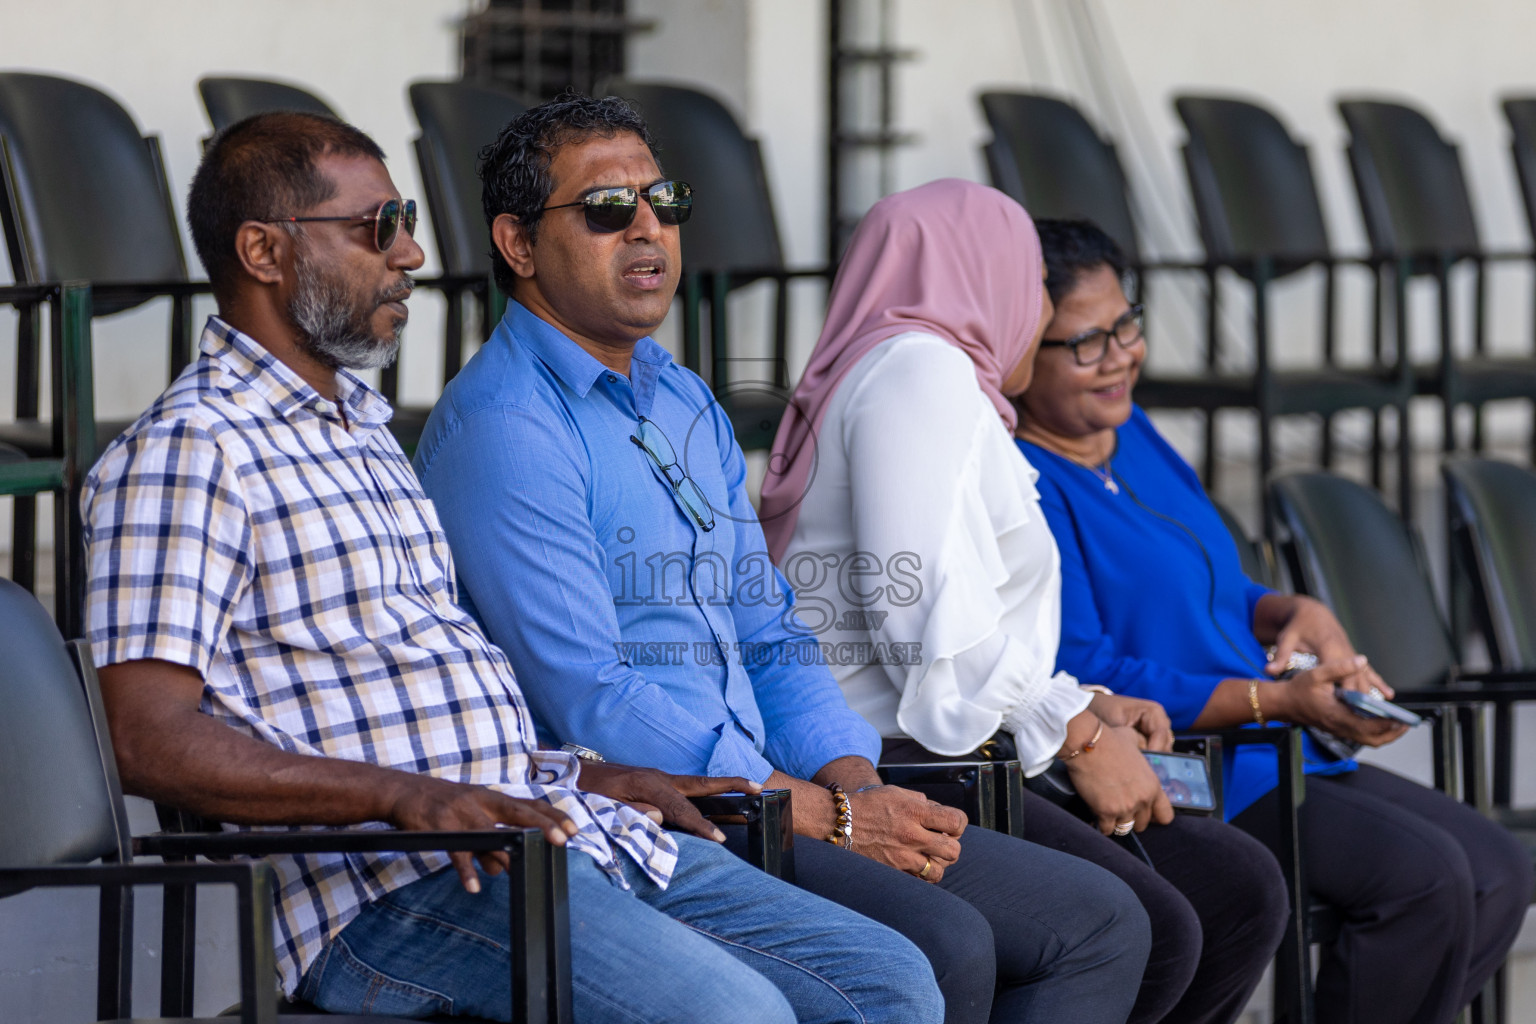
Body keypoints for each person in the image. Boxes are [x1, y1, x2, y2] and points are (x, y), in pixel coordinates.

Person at [81, 110, 945, 1024]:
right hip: (381, 892)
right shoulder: (191, 451)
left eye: (405, 221)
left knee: (886, 980)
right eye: (378, 227)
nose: (410, 252)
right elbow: (143, 736)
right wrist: (405, 797)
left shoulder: (362, 433)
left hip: (533, 826)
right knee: (735, 1016)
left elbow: (429, 702)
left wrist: (587, 776)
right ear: (263, 250)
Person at [415, 95, 1152, 1024]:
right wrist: (813, 811)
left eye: (664, 201)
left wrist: (849, 776)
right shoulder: (507, 428)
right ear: (518, 244)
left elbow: (767, 627)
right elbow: (591, 697)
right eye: (607, 210)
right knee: (950, 946)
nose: (648, 231)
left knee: (1101, 920)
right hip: (667, 813)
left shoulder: (681, 399)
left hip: (774, 786)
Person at [760, 179, 1288, 1024]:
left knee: (1233, 889)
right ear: (982, 274)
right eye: (1033, 280)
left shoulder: (923, 376)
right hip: (913, 755)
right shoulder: (918, 374)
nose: (1039, 309)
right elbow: (928, 620)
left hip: (966, 736)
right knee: (1155, 920)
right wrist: (1074, 732)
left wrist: (1083, 704)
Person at [1013, 217, 1534, 1024]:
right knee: (1424, 882)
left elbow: (1220, 582)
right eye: (1087, 342)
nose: (1121, 356)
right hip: (1195, 763)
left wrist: (1292, 609)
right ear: (1019, 351)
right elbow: (1084, 669)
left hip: (1275, 743)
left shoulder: (1131, 433)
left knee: (1499, 870)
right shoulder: (1026, 483)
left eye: (1127, 325)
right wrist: (1275, 702)